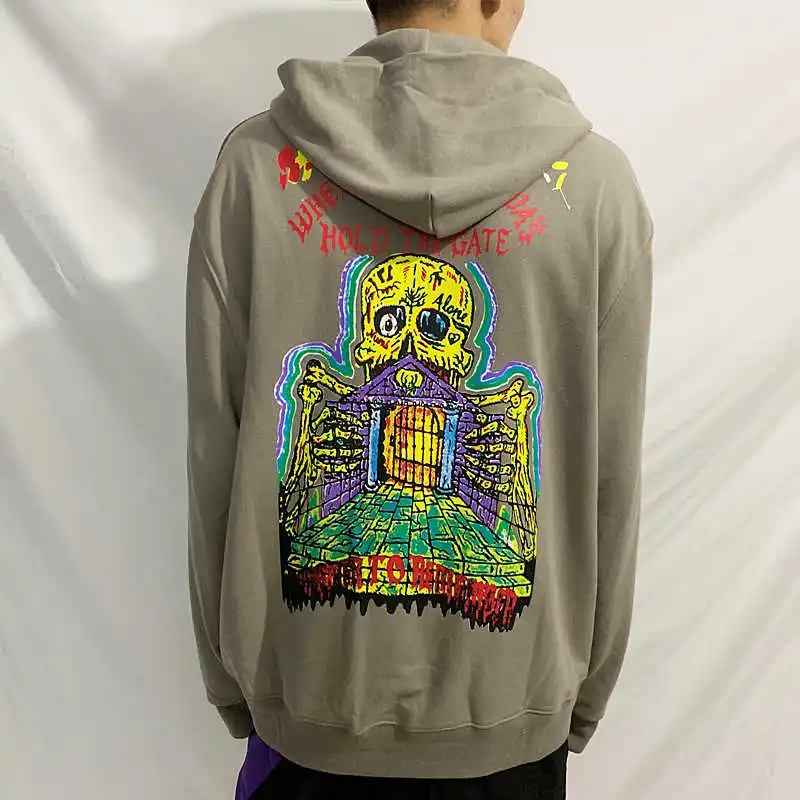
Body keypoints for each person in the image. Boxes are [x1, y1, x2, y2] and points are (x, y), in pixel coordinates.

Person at [185, 0, 653, 797]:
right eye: (389, 328)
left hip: (305, 722)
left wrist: (238, 681)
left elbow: (213, 454)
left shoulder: (255, 170)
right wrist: (575, 697)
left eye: (432, 331)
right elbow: (610, 476)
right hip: (512, 727)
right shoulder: (597, 189)